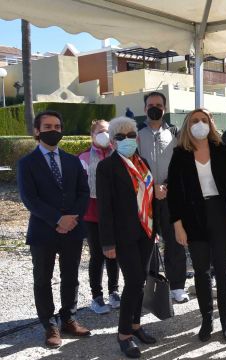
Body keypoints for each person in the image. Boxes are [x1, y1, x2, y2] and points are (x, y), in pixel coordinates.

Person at [167, 108, 226, 342]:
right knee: (201, 272)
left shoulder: (222, 149)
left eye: (204, 120)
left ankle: (225, 318)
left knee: (222, 271)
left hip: (221, 215)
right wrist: (177, 225)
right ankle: (206, 319)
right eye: (194, 121)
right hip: (193, 218)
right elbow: (175, 195)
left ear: (211, 123)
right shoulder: (180, 153)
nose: (199, 124)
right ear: (187, 125)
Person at [17, 110, 91, 348]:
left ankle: (69, 318)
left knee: (71, 276)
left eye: (58, 127)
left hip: (73, 229)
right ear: (37, 131)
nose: (54, 131)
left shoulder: (72, 161)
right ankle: (50, 325)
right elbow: (30, 199)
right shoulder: (26, 163)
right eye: (48, 126)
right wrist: (58, 219)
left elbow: (83, 192)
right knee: (42, 279)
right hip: (43, 230)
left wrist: (72, 218)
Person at [97, 117, 158, 358]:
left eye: (130, 135)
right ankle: (123, 335)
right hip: (123, 236)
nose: (127, 140)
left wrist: (156, 229)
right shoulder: (107, 167)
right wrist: (108, 243)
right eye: (120, 137)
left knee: (140, 280)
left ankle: (136, 325)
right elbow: (104, 209)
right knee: (133, 281)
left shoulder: (142, 163)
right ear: (112, 142)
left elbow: (151, 198)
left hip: (145, 232)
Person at [137, 91, 189, 303]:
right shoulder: (136, 135)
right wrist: (152, 188)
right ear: (144, 109)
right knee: (147, 243)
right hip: (146, 196)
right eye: (151, 104)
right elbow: (134, 166)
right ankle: (150, 286)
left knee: (175, 241)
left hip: (171, 196)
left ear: (164, 109)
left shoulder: (175, 134)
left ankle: (177, 286)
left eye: (159, 104)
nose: (154, 108)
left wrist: (166, 186)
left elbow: (181, 165)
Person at [78, 119, 121, 314]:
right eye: (101, 131)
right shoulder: (84, 157)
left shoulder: (118, 155)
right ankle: (97, 296)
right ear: (92, 135)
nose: (105, 134)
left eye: (108, 131)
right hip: (92, 213)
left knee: (113, 254)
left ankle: (114, 291)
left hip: (114, 213)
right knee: (97, 255)